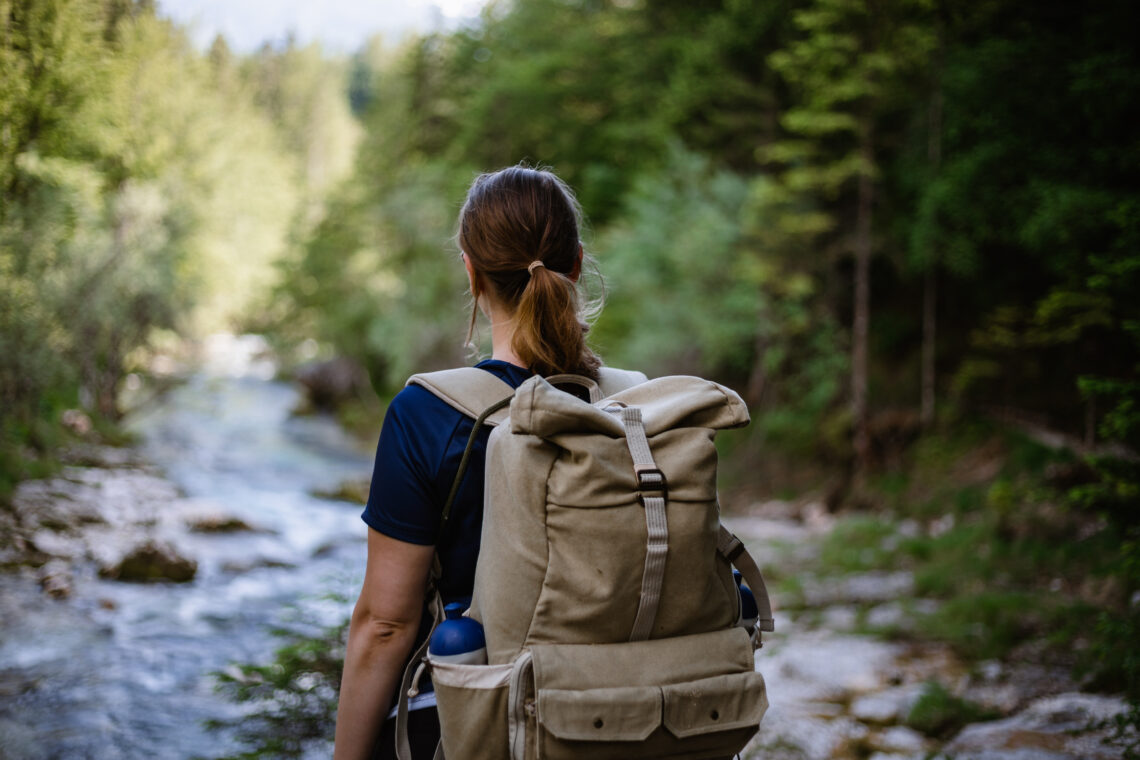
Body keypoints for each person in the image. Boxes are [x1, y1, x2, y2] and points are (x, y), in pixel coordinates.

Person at [333, 165, 604, 760]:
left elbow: (385, 625)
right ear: (576, 265)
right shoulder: (630, 408)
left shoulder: (426, 414)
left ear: (471, 270)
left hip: (474, 722)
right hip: (627, 719)